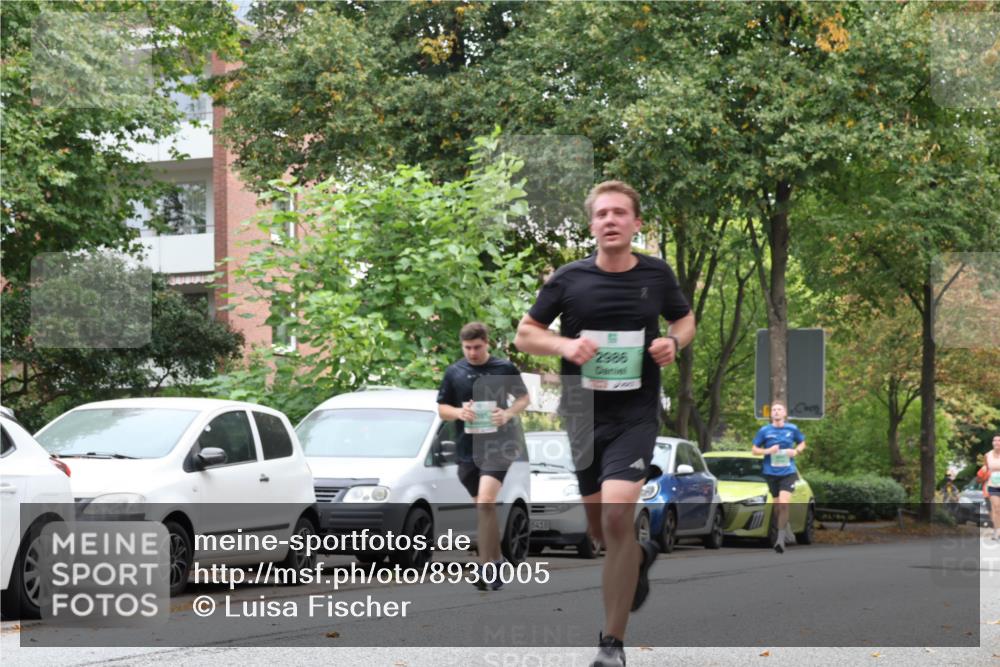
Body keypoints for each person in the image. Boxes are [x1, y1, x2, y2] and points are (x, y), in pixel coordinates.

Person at [515, 180, 695, 667]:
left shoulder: (658, 275)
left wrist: (673, 344)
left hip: (634, 412)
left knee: (617, 515)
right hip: (580, 410)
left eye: (620, 213)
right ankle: (639, 555)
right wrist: (564, 346)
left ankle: (611, 644)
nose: (610, 220)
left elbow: (684, 320)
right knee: (598, 531)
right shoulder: (569, 280)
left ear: (636, 223)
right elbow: (526, 334)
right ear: (592, 224)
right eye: (601, 214)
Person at [437, 321, 530, 590]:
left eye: (477, 347)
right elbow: (442, 408)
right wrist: (459, 413)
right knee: (483, 510)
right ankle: (497, 561)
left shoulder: (504, 368)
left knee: (486, 502)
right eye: (467, 348)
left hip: (500, 445)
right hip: (467, 449)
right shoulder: (454, 372)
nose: (472, 353)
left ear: (487, 343)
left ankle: (483, 567)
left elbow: (523, 399)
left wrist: (508, 413)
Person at [751, 402, 806, 554]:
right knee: (777, 507)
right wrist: (768, 450)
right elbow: (754, 450)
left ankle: (780, 540)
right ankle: (786, 526)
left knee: (783, 503)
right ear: (771, 414)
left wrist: (795, 452)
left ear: (784, 413)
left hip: (788, 472)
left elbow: (802, 443)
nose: (776, 412)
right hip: (770, 473)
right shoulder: (764, 430)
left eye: (779, 410)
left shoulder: (792, 428)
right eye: (774, 410)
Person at [977, 434, 1000, 540]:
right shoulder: (987, 455)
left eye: (999, 440)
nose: (996, 442)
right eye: (994, 440)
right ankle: (997, 531)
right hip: (993, 485)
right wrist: (983, 475)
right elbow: (985, 469)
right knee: (996, 508)